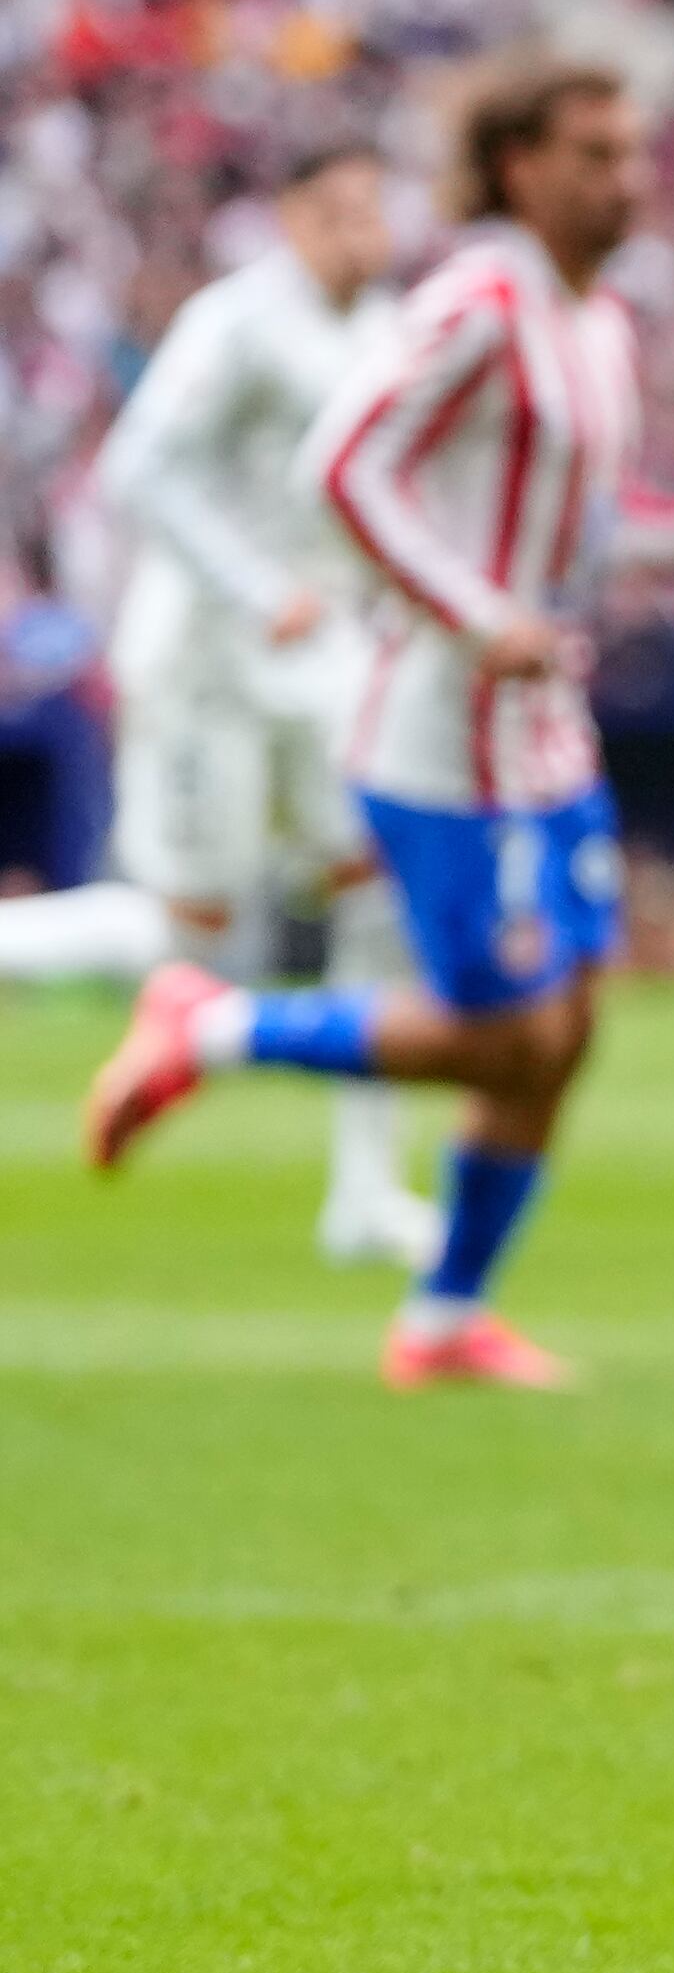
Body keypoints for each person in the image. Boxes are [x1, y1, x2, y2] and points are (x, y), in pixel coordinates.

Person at [80, 63, 674, 1389]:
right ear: (520, 167)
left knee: (566, 1029)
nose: (626, 181)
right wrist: (471, 615)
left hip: (545, 725)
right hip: (441, 728)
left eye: (634, 153)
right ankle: (210, 1023)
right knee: (503, 1032)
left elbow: (577, 533)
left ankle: (446, 1315)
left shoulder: (596, 321)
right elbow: (341, 463)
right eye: (595, 155)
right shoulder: (480, 299)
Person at [0, 142, 441, 1263]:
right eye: (339, 211)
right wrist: (255, 589)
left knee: (379, 890)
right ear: (292, 218)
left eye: (373, 209)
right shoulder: (237, 322)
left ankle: (364, 1195)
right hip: (210, 663)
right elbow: (138, 467)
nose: (363, 232)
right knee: (197, 938)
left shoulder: (385, 330)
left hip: (323, 661)